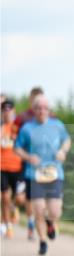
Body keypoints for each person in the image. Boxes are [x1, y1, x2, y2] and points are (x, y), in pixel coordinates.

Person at [14, 95, 71, 256]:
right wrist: (27, 157)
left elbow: (67, 140)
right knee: (38, 209)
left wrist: (63, 151)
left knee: (55, 211)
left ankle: (51, 222)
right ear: (34, 109)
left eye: (45, 108)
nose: (42, 111)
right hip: (34, 174)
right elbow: (17, 148)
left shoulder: (57, 125)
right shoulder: (26, 128)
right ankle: (43, 240)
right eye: (38, 108)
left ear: (49, 110)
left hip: (54, 173)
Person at [15, 87, 48, 240]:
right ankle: (30, 221)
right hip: (25, 163)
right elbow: (13, 135)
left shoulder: (49, 115)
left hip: (45, 163)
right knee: (26, 198)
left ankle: (45, 219)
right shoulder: (22, 118)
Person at [1, 98, 27, 238]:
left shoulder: (19, 128)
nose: (7, 113)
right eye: (4, 110)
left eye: (9, 110)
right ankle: (8, 226)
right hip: (2, 168)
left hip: (18, 168)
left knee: (20, 199)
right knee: (5, 197)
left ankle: (13, 208)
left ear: (13, 111)